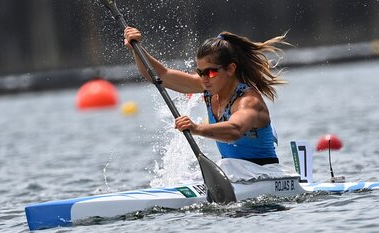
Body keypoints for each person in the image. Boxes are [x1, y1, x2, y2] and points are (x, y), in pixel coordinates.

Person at [123, 27, 289, 166]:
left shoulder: (249, 101)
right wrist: (137, 48)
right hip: (232, 171)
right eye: (200, 72)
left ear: (230, 69)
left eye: (210, 72)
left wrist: (196, 128)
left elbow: (235, 130)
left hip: (263, 172)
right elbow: (160, 75)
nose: (204, 79)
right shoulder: (209, 87)